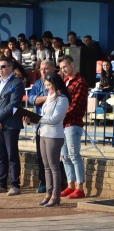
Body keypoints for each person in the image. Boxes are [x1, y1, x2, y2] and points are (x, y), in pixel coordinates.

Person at [23, 74, 70, 207]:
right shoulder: (49, 97)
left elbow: (55, 119)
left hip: (54, 135)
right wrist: (31, 120)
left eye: (49, 85)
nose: (48, 88)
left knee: (54, 166)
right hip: (43, 132)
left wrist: (36, 119)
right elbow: (44, 116)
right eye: (46, 86)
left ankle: (56, 195)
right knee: (46, 166)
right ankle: (49, 193)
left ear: (56, 84)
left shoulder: (62, 99)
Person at [0, 57, 26, 196]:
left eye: (3, 66)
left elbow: (13, 105)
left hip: (11, 124)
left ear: (10, 67)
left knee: (12, 155)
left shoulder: (17, 83)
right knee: (0, 155)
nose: (0, 69)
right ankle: (1, 184)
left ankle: (15, 185)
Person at [59, 56, 89, 199]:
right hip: (63, 124)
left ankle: (80, 187)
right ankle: (70, 185)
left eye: (65, 67)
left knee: (74, 156)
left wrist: (59, 115)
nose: (63, 70)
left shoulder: (81, 82)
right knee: (64, 157)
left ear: (72, 64)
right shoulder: (65, 81)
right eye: (61, 68)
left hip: (73, 123)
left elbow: (75, 106)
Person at [28, 60, 57, 194]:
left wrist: (43, 98)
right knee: (41, 156)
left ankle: (58, 184)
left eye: (46, 69)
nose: (43, 71)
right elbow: (32, 99)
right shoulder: (39, 83)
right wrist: (48, 97)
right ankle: (44, 183)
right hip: (40, 124)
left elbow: (59, 98)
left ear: (53, 69)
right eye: (41, 69)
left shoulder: (58, 82)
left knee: (55, 157)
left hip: (54, 125)